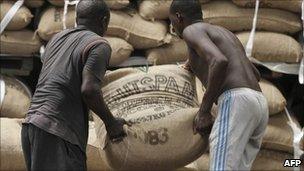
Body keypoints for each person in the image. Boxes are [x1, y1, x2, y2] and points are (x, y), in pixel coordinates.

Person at [21, 0, 127, 170]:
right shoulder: (98, 45)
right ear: (104, 20)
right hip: (57, 131)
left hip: (31, 126)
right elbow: (89, 90)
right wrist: (111, 123)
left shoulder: (56, 39)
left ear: (77, 18)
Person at [169, 0, 269, 170]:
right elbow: (255, 74)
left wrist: (204, 110)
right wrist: (193, 64)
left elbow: (219, 60)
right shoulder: (225, 33)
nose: (173, 28)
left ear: (178, 17)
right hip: (259, 102)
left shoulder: (190, 30)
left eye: (172, 22)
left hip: (237, 101)